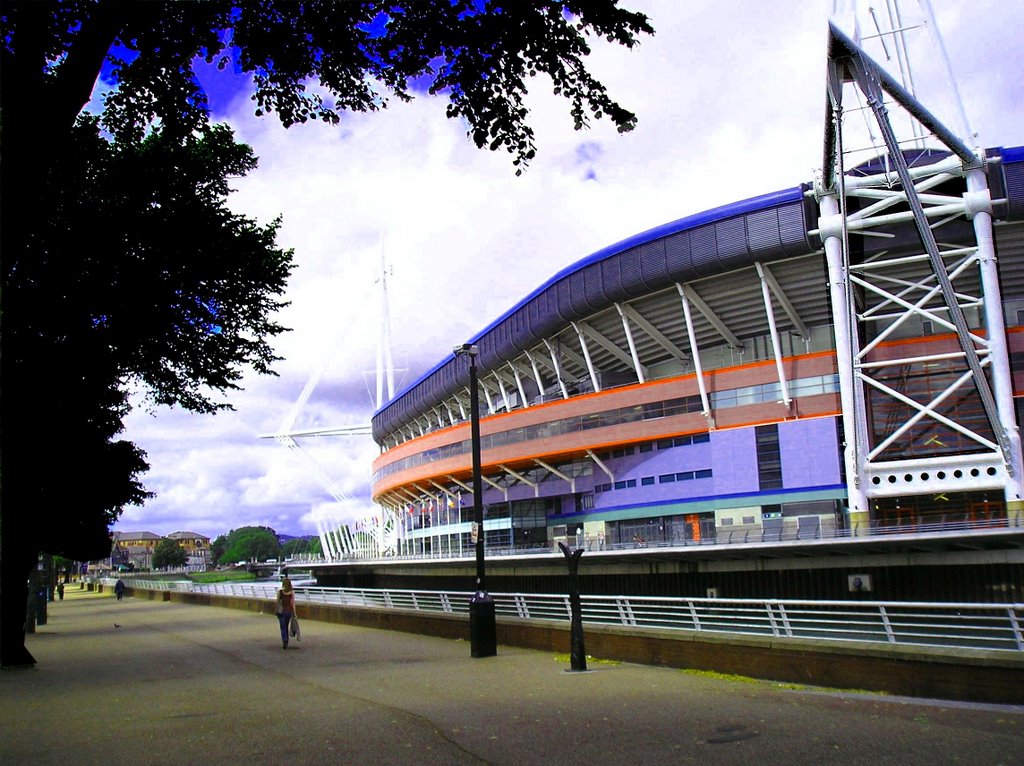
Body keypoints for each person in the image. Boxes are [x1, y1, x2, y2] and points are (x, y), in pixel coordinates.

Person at [275, 577, 296, 650]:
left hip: (281, 612)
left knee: (282, 627)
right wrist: (294, 613)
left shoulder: (280, 592)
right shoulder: (292, 593)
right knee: (286, 626)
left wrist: (277, 609)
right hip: (289, 612)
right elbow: (292, 604)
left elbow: (277, 602)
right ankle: (286, 640)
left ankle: (284, 640)